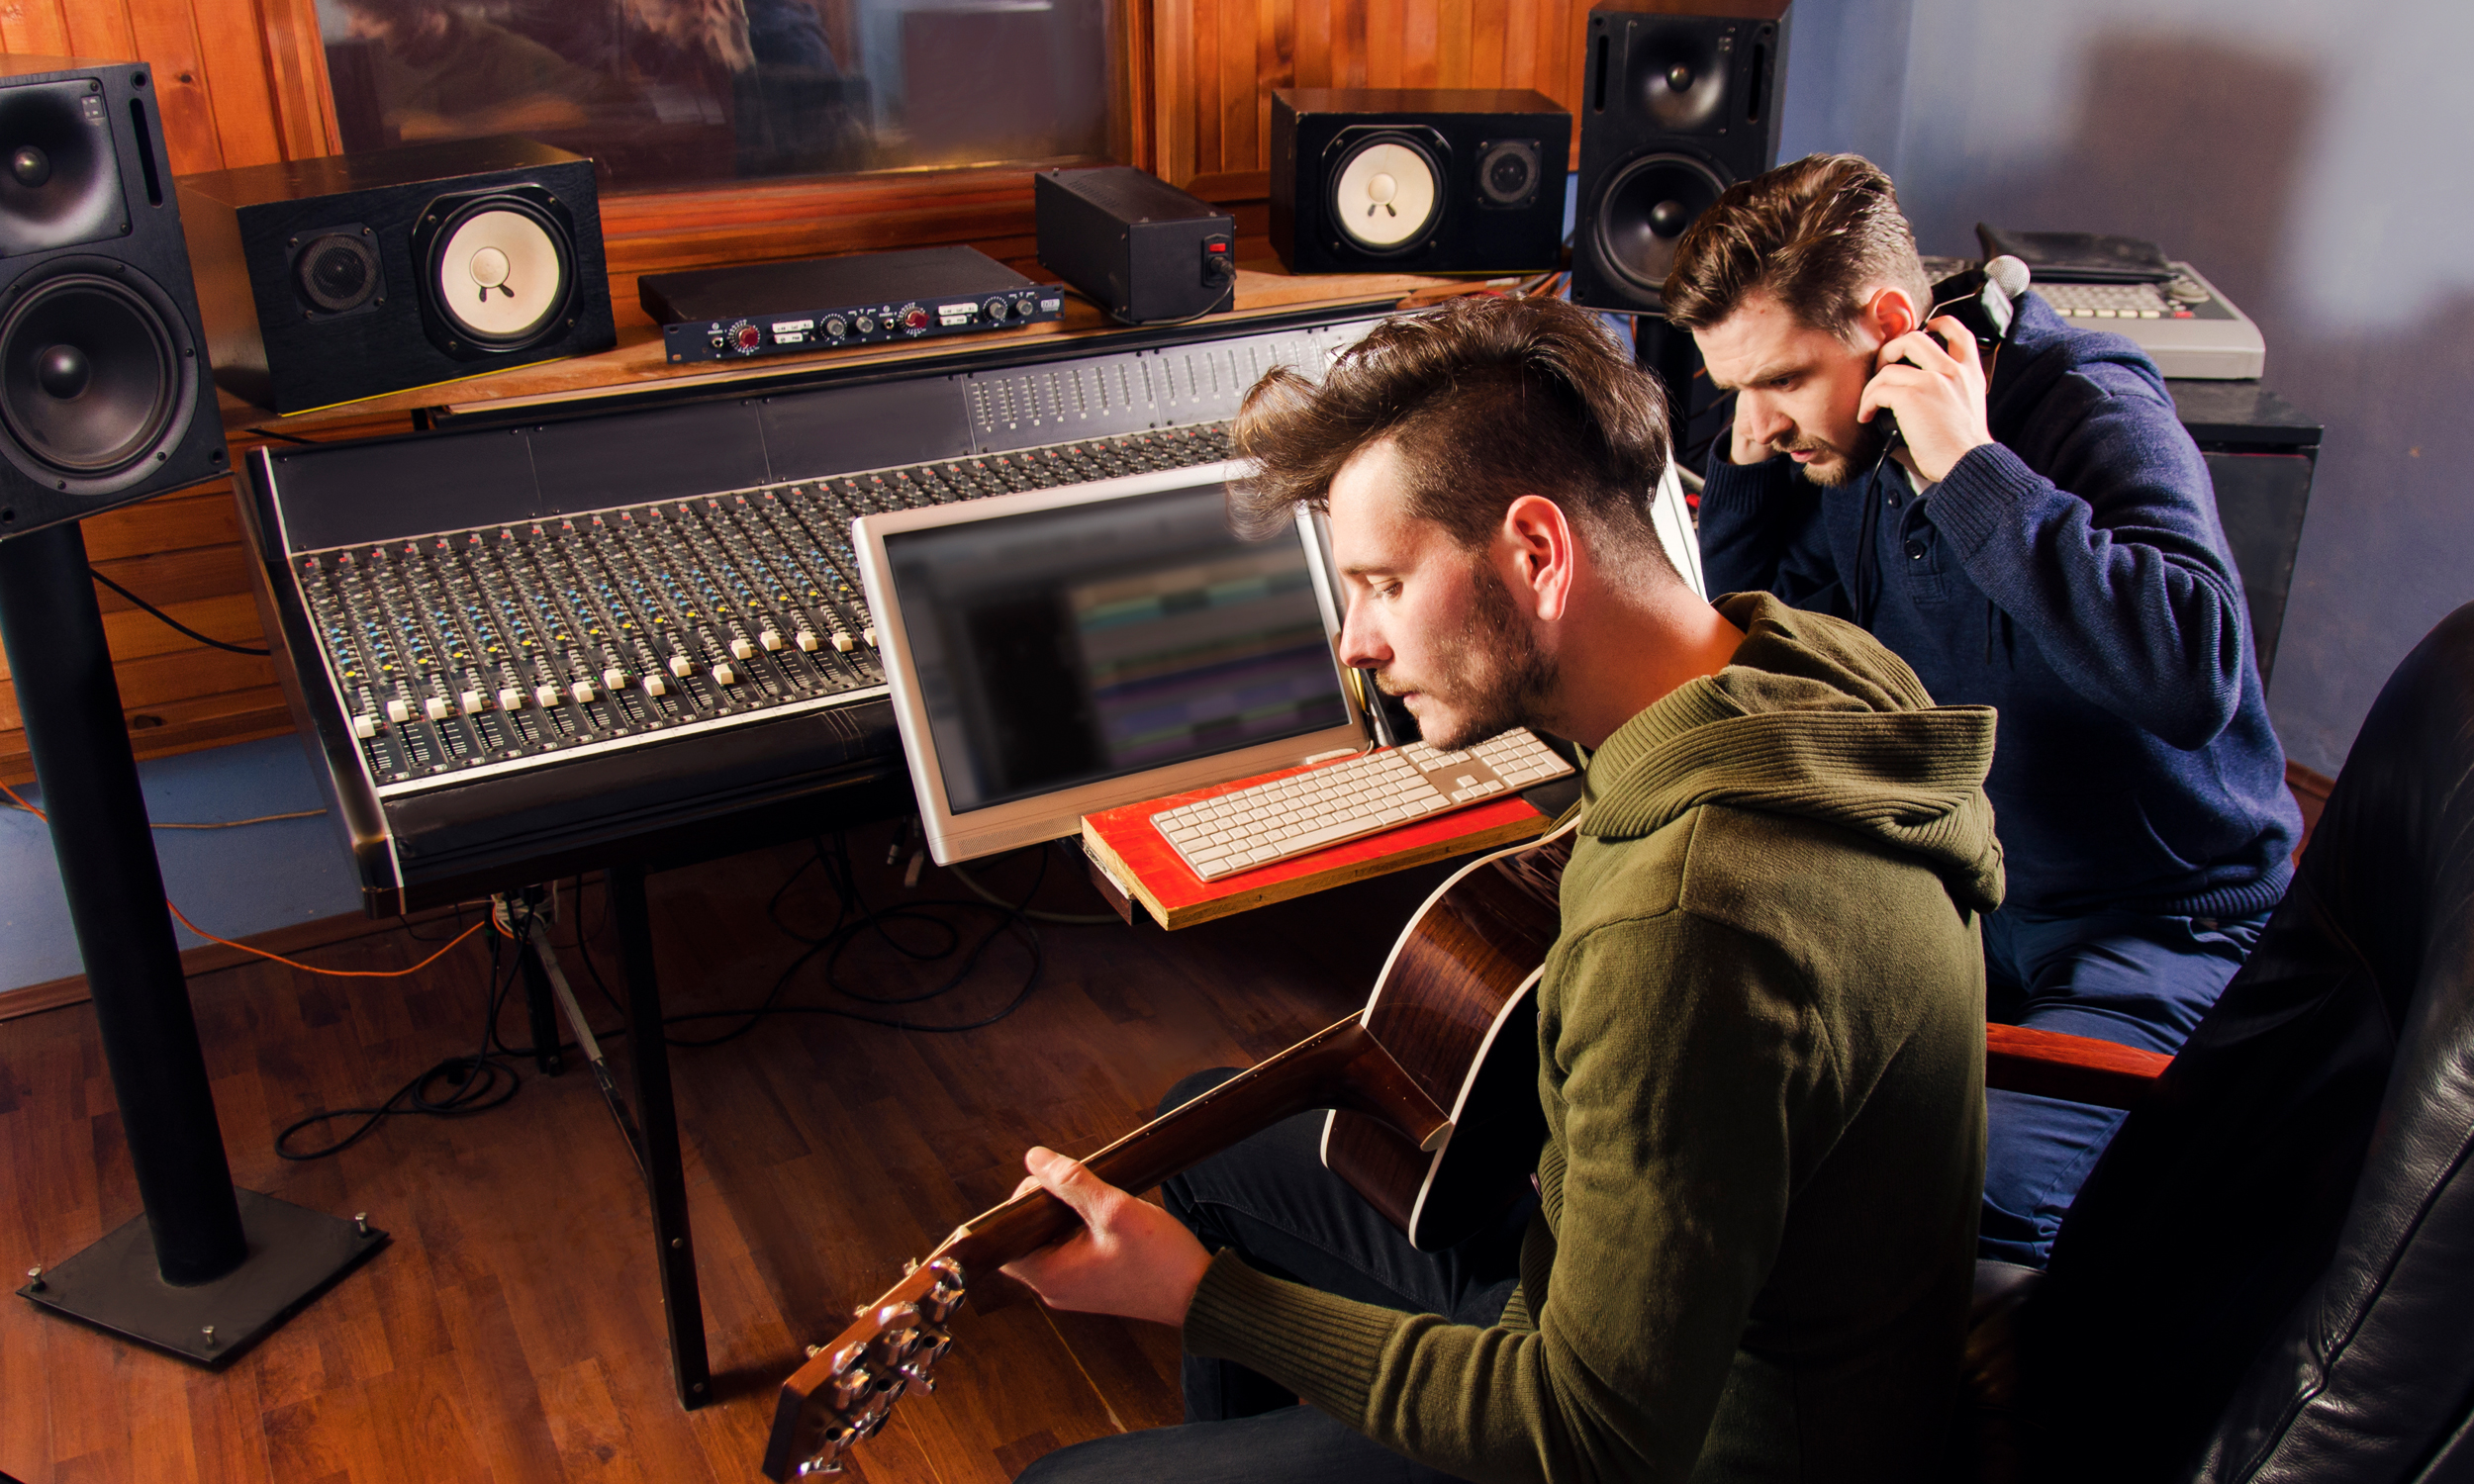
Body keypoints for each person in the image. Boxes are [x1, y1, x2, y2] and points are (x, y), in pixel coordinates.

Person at [998, 294, 2006, 1482]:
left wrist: (1207, 1301)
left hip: (1703, 1439)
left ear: (1537, 552)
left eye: (1379, 583)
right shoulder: (1805, 666)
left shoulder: (1688, 928)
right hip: (1696, 1309)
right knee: (1207, 1133)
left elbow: (1590, 1441)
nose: (1354, 644)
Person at [1667, 153, 2304, 1267]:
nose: (1759, 424)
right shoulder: (1848, 439)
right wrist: (1752, 449)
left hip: (2159, 925)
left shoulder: (2086, 401)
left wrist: (1972, 468)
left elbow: (2195, 671)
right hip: (1971, 900)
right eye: (1732, 392)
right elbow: (1746, 632)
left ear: (1891, 325)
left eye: (1777, 381)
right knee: (1711, 1119)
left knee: (1967, 1219)